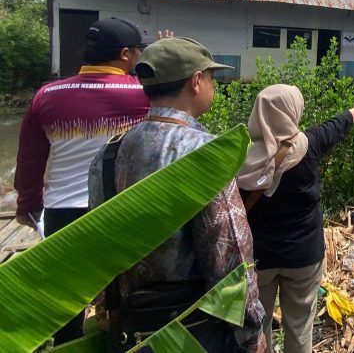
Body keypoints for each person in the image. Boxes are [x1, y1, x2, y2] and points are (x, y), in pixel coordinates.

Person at [87, 37, 266, 352]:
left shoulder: (107, 153)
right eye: (211, 77)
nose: (213, 84)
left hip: (131, 329)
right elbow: (230, 258)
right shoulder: (204, 152)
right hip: (191, 330)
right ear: (196, 81)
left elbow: (99, 249)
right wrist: (252, 334)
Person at [14, 17, 150, 344]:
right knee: (126, 296)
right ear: (125, 54)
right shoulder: (142, 94)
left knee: (66, 305)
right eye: (137, 52)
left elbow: (30, 162)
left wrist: (28, 207)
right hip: (121, 210)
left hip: (62, 215)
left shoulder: (47, 95)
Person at [238, 85, 354, 353]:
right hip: (303, 257)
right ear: (292, 111)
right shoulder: (309, 144)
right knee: (300, 331)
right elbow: (339, 124)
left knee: (258, 330)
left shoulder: (239, 159)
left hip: (258, 259)